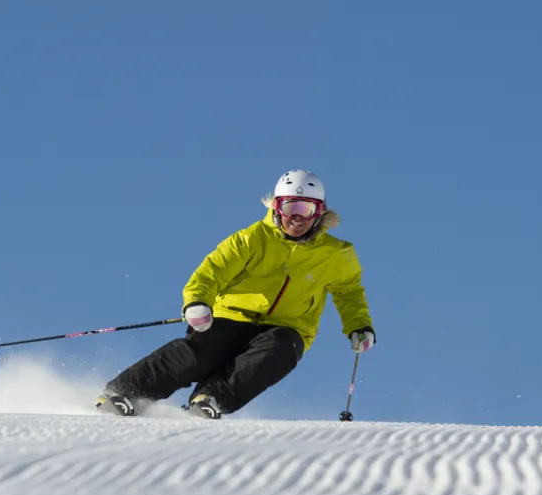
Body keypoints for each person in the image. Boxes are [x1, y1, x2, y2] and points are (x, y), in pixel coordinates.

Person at [95, 170, 376, 419]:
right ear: (276, 207)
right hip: (232, 314)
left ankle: (211, 398)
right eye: (290, 206)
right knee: (201, 352)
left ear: (320, 211)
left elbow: (348, 292)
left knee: (275, 354)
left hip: (290, 327)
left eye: (306, 208)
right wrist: (197, 301)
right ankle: (125, 392)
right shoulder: (251, 239)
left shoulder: (337, 254)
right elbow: (212, 271)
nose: (297, 217)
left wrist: (359, 326)